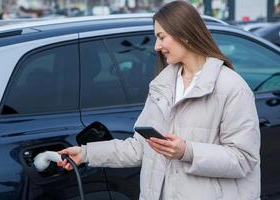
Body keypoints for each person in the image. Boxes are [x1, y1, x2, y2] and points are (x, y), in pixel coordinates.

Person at [57, 1, 260, 199]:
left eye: (162, 37)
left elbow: (244, 159)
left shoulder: (232, 87)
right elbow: (138, 148)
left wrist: (187, 151)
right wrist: (85, 154)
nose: (156, 46)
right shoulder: (161, 86)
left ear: (185, 34)